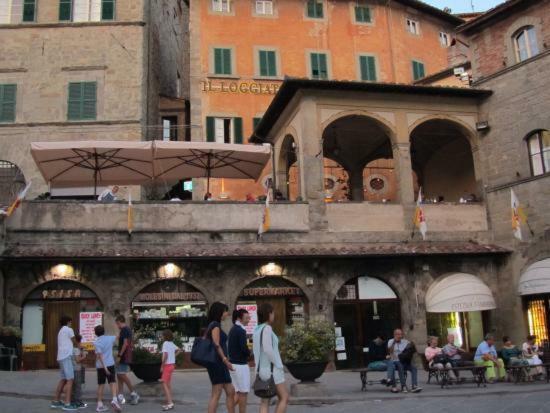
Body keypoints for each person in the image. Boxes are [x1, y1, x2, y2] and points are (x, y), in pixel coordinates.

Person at [253, 303, 289, 413]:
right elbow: (268, 350)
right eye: (273, 313)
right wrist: (279, 364)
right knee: (284, 398)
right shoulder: (267, 328)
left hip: (261, 370)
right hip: (272, 370)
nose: (274, 315)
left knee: (265, 402)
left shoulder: (257, 330)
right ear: (268, 314)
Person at [205, 302, 235, 413]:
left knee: (230, 391)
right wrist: (225, 360)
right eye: (225, 311)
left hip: (219, 364)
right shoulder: (215, 325)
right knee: (216, 393)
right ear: (220, 312)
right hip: (217, 363)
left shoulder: (214, 324)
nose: (227, 313)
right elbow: (216, 344)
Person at [51, 316, 78, 411]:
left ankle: (56, 401)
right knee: (70, 379)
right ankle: (67, 403)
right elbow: (74, 341)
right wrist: (80, 347)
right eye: (70, 322)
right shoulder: (69, 329)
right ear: (68, 322)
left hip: (60, 357)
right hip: (66, 357)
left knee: (63, 379)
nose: (71, 323)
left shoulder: (60, 331)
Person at [94, 325, 121, 412]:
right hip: (110, 364)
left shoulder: (96, 342)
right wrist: (119, 328)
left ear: (96, 333)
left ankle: (99, 404)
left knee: (101, 385)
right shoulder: (110, 338)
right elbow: (118, 336)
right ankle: (114, 399)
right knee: (112, 382)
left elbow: (100, 356)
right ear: (104, 331)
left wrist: (104, 368)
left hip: (100, 366)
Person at [228, 309, 251, 413]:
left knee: (237, 393)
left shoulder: (233, 329)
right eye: (246, 318)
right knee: (243, 393)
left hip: (233, 364)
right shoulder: (241, 331)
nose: (249, 320)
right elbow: (244, 349)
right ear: (239, 318)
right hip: (240, 365)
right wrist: (250, 352)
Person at [386, 329, 421, 393]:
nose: (400, 336)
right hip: (395, 362)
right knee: (396, 366)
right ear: (394, 335)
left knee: (414, 368)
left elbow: (414, 351)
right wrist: (394, 342)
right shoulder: (390, 341)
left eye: (401, 334)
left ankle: (414, 386)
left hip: (404, 361)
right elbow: (389, 352)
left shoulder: (405, 341)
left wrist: (413, 344)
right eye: (398, 334)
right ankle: (397, 386)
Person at [115, 315, 139, 405]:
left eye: (117, 324)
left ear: (120, 322)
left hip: (124, 355)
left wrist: (119, 355)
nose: (117, 326)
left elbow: (125, 344)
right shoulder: (126, 329)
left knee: (122, 375)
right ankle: (120, 395)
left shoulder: (124, 330)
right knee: (119, 375)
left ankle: (134, 393)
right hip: (125, 355)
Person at [160, 329, 180, 411]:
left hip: (167, 366)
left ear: (165, 336)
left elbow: (166, 356)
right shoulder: (172, 344)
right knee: (168, 384)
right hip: (172, 365)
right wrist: (174, 356)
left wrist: (162, 366)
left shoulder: (165, 343)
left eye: (162, 335)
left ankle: (170, 403)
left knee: (164, 383)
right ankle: (169, 402)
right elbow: (179, 350)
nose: (161, 337)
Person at [71, 334, 87, 409]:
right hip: (77, 369)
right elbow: (77, 360)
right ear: (79, 341)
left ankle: (73, 401)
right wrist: (83, 356)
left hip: (73, 369)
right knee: (78, 386)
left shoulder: (73, 348)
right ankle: (78, 402)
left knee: (74, 386)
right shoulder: (76, 350)